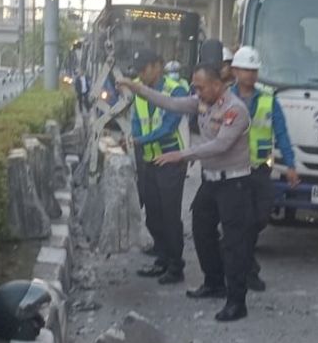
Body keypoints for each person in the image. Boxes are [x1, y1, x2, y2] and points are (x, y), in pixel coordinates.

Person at [117, 63, 255, 322]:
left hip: (234, 184)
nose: (197, 92)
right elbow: (170, 103)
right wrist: (137, 88)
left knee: (234, 243)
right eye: (195, 88)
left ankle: (237, 302)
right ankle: (214, 282)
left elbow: (220, 145)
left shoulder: (234, 109)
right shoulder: (205, 103)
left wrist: (182, 154)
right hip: (211, 181)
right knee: (202, 230)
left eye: (201, 87)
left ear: (217, 85)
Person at [229, 46, 300, 292]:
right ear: (235, 71)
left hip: (259, 170)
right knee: (240, 221)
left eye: (254, 70)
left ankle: (242, 261)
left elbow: (281, 133)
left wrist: (290, 164)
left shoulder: (269, 99)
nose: (250, 74)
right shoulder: (224, 97)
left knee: (259, 218)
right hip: (232, 170)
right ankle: (247, 270)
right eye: (246, 70)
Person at [129, 51, 189, 285]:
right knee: (153, 215)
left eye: (145, 69)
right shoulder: (140, 91)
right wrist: (135, 138)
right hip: (150, 161)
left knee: (170, 216)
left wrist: (142, 140)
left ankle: (176, 266)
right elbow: (136, 121)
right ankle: (162, 258)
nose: (141, 74)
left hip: (172, 161)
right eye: (139, 70)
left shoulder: (176, 90)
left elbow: (169, 126)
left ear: (158, 66)